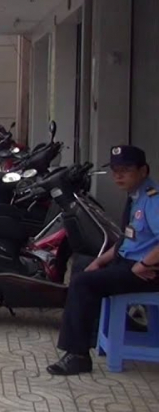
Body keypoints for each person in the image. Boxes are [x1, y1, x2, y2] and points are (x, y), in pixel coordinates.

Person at [47, 146, 159, 376]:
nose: (118, 175)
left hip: (147, 271)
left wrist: (145, 264)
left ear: (143, 170)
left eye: (126, 170)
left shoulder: (152, 199)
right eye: (115, 170)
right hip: (128, 261)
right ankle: (91, 333)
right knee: (82, 264)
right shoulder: (136, 197)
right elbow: (126, 241)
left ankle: (78, 355)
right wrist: (100, 260)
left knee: (83, 284)